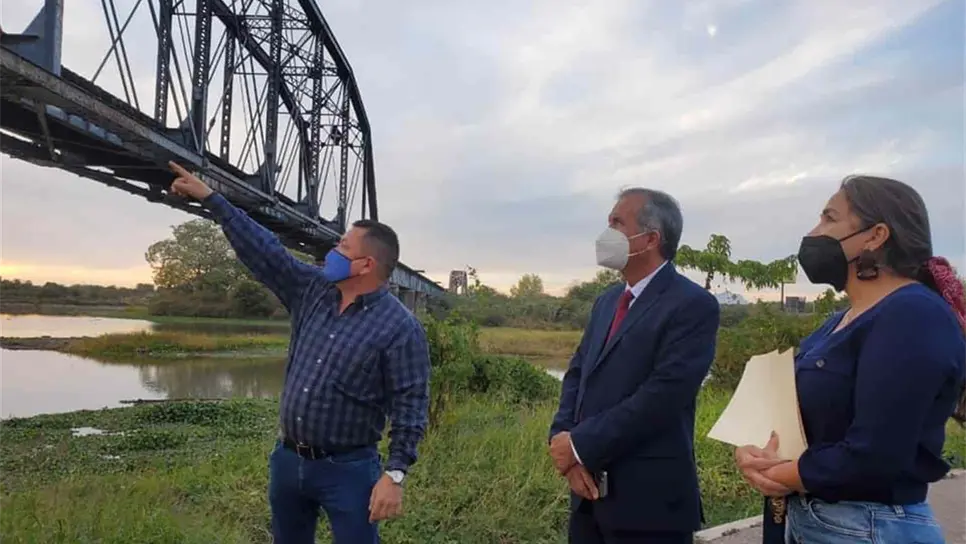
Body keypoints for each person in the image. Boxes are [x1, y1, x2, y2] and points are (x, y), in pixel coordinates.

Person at [167, 162, 431, 544]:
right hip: (288, 460)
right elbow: (267, 253)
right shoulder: (312, 290)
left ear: (366, 265)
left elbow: (411, 406)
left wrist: (394, 474)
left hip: (350, 469)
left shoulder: (401, 328)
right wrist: (212, 199)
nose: (333, 251)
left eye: (343, 247)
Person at [734, 175, 966, 544]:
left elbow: (875, 453)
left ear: (876, 236)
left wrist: (782, 474)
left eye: (829, 218)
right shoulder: (840, 320)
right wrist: (757, 455)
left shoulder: (911, 315)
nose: (814, 232)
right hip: (820, 521)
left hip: (868, 528)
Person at [548, 187, 721, 544]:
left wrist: (580, 444)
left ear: (651, 239)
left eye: (617, 223)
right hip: (587, 496)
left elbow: (663, 397)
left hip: (649, 506)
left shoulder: (692, 305)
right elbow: (578, 373)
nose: (606, 232)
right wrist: (564, 443)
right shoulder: (607, 301)